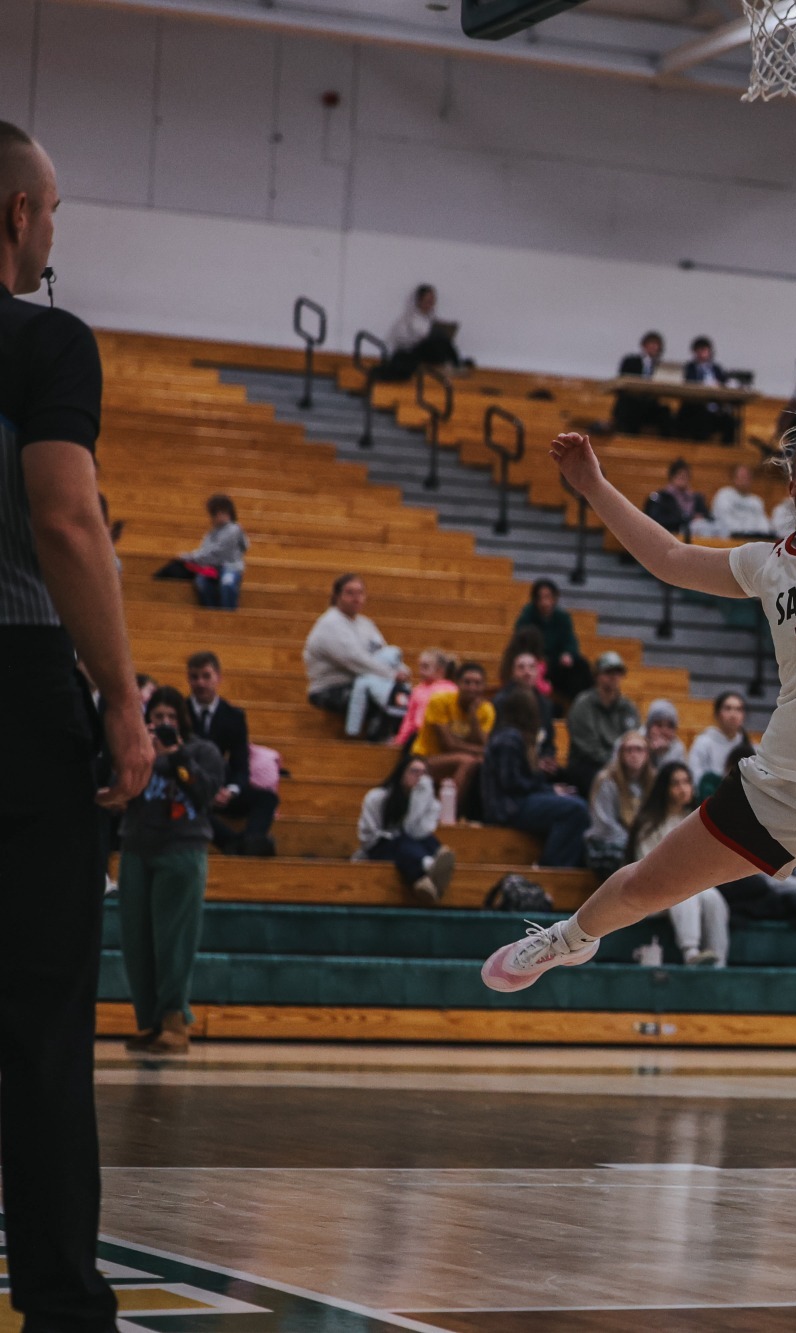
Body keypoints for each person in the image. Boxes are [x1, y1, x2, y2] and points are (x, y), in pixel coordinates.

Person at [480, 204, 796, 1259]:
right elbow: (665, 558)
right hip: (786, 779)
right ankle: (565, 941)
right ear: (792, 483)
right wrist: (596, 486)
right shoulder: (764, 560)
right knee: (643, 886)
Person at [1, 118, 149, 1333]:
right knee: (41, 1020)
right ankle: (59, 1307)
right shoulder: (45, 338)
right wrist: (118, 695)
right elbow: (65, 520)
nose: (53, 232)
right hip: (13, 689)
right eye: (51, 212)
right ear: (16, 216)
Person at [118, 686, 224, 1055]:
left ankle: (175, 1022)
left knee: (173, 942)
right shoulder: (135, 752)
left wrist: (176, 755)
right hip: (135, 849)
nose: (163, 724)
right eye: (158, 717)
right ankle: (150, 1021)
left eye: (171, 718)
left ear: (183, 721)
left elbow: (206, 794)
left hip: (181, 850)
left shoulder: (202, 752)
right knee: (137, 942)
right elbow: (118, 791)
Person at [625, 761, 729, 965]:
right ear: (664, 788)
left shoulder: (699, 819)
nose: (683, 789)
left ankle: (718, 963)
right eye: (676, 783)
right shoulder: (648, 824)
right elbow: (646, 871)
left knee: (714, 898)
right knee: (683, 892)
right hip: (653, 893)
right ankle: (690, 952)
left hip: (692, 888)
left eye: (687, 782)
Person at [480, 687, 591, 869]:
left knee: (575, 803)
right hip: (508, 807)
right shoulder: (509, 739)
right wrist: (548, 789)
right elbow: (512, 783)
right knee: (576, 809)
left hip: (515, 801)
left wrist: (549, 790)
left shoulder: (513, 737)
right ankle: (552, 867)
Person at [185, 651, 279, 857]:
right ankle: (238, 843)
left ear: (218, 677)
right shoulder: (181, 713)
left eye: (206, 676)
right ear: (188, 679)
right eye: (194, 677)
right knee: (186, 804)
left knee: (267, 799)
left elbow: (240, 764)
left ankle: (249, 841)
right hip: (190, 786)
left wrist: (231, 790)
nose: (200, 683)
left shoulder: (233, 716)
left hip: (221, 786)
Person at [304, 573, 406, 739]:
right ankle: (376, 741)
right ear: (337, 596)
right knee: (383, 698)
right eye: (350, 593)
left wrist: (402, 670)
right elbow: (354, 660)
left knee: (403, 696)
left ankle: (392, 738)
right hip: (330, 687)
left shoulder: (366, 624)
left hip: (366, 682)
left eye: (360, 593)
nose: (356, 598)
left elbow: (384, 653)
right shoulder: (330, 623)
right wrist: (391, 675)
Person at [356, 752, 455, 902]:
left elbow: (417, 831)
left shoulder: (427, 800)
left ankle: (426, 879)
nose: (419, 778)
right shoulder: (377, 797)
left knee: (429, 841)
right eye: (414, 771)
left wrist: (420, 798)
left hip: (409, 844)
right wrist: (392, 837)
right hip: (379, 847)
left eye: (423, 774)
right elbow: (368, 837)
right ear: (402, 772)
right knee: (400, 841)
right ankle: (428, 867)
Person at [410, 661, 491, 789]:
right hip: (426, 758)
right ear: (457, 683)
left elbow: (482, 742)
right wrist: (485, 751)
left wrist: (474, 718)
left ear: (484, 686)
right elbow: (448, 745)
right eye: (467, 682)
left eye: (477, 683)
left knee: (480, 763)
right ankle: (451, 807)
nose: (472, 688)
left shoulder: (486, 709)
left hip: (462, 758)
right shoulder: (440, 701)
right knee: (468, 761)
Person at [565, 651, 640, 787]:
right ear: (597, 675)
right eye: (608, 672)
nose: (613, 677)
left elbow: (634, 738)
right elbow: (589, 748)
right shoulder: (582, 705)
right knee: (604, 779)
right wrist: (619, 765)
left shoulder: (628, 707)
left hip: (622, 764)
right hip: (588, 766)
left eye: (617, 673)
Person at [586, 730, 651, 877]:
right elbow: (604, 824)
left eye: (639, 749)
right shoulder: (607, 780)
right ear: (620, 753)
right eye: (629, 749)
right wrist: (634, 844)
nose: (634, 754)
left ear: (647, 754)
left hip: (640, 844)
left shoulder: (652, 781)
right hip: (608, 844)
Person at [515, 578, 591, 702]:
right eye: (541, 598)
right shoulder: (527, 616)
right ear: (535, 599)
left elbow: (570, 640)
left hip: (556, 663)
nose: (545, 602)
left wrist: (568, 654)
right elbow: (520, 641)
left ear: (554, 598)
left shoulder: (562, 617)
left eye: (548, 597)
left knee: (581, 666)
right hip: (536, 662)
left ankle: (581, 703)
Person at [178, 493, 246, 610]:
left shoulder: (234, 530)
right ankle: (212, 613)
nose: (219, 516)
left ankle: (228, 615)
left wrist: (191, 557)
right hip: (213, 568)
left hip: (230, 567)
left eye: (223, 512)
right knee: (201, 581)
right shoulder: (211, 534)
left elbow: (217, 552)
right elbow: (205, 551)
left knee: (227, 583)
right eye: (216, 513)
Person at [385, 283, 462, 378]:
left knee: (443, 340)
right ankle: (456, 365)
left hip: (424, 351)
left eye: (432, 300)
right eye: (428, 300)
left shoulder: (430, 318)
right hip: (409, 353)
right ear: (420, 300)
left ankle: (455, 365)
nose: (431, 303)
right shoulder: (411, 318)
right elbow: (415, 338)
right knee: (439, 338)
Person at [677, 335, 736, 441]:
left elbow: (725, 382)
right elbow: (689, 383)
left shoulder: (716, 368)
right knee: (701, 417)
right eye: (698, 350)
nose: (702, 353)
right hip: (697, 405)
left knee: (730, 421)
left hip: (715, 406)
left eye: (704, 350)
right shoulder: (690, 367)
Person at [394, 648, 457, 748]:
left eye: (425, 667)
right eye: (420, 666)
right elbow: (409, 719)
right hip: (418, 736)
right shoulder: (417, 690)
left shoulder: (451, 690)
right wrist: (401, 739)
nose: (420, 671)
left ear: (440, 670)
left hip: (441, 737)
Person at [687, 689, 749, 790]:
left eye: (738, 709)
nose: (733, 714)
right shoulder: (703, 742)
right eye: (728, 708)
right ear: (717, 714)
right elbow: (694, 775)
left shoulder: (750, 746)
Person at [613, 331, 673, 435]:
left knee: (665, 412)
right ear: (644, 346)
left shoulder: (661, 367)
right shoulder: (630, 361)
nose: (653, 348)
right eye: (651, 344)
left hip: (650, 405)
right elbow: (622, 383)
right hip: (632, 402)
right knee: (629, 409)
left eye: (656, 345)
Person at [702, 463, 774, 538]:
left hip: (753, 538)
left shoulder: (756, 501)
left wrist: (761, 534)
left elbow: (763, 523)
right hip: (731, 539)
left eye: (747, 477)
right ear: (734, 478)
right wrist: (742, 533)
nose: (745, 480)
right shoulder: (724, 495)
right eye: (742, 477)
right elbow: (723, 521)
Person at [644, 459, 711, 539]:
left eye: (686, 476)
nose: (683, 478)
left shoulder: (696, 498)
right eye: (680, 475)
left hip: (695, 536)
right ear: (672, 477)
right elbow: (655, 520)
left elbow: (707, 516)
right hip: (669, 535)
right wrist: (685, 519)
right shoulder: (661, 498)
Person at [644, 698, 687, 770]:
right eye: (659, 725)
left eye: (670, 726)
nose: (664, 731)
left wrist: (663, 756)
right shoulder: (634, 742)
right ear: (648, 727)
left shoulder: (678, 748)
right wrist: (650, 752)